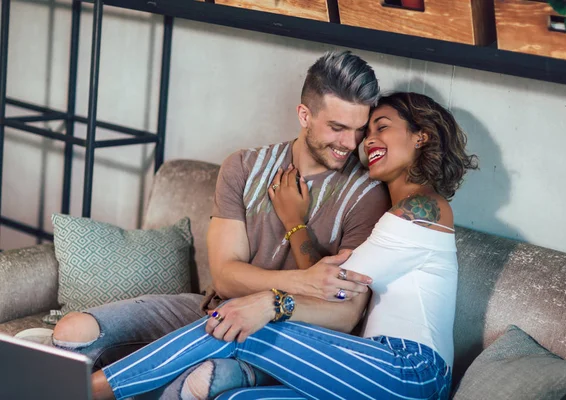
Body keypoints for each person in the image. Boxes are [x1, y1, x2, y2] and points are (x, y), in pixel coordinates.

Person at [89, 91, 479, 400]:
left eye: (382, 127)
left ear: (421, 135)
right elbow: (322, 279)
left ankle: (92, 390)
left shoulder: (422, 208)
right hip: (371, 367)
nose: (368, 141)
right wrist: (297, 225)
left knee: (241, 323)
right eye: (368, 132)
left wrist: (270, 301)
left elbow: (336, 287)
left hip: (408, 371)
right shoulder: (396, 210)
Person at [49, 50, 390, 398]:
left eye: (359, 129)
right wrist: (304, 281)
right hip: (210, 308)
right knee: (73, 330)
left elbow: (344, 312)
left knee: (202, 379)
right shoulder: (244, 167)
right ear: (304, 115)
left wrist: (275, 286)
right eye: (337, 128)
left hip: (277, 338)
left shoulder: (369, 196)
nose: (350, 144)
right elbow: (226, 274)